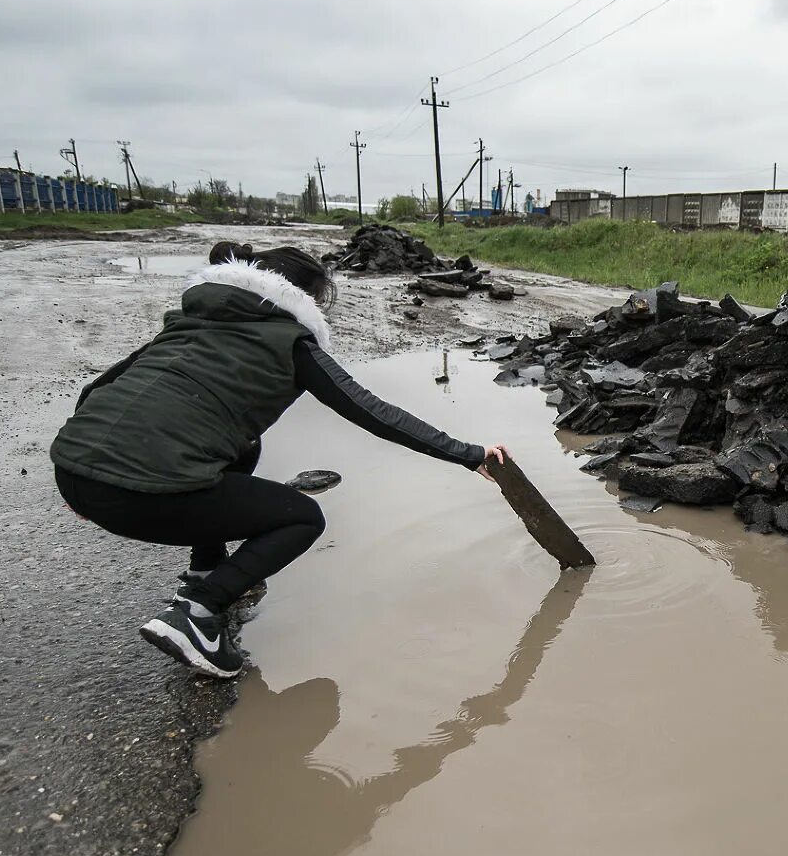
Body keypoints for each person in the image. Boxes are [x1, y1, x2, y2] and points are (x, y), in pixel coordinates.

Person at [51, 241, 507, 678]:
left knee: (244, 446)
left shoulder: (189, 321)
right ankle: (198, 610)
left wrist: (84, 471)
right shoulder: (290, 341)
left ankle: (204, 570)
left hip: (74, 476)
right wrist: (467, 454)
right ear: (305, 300)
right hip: (143, 497)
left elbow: (95, 392)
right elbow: (372, 411)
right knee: (303, 517)